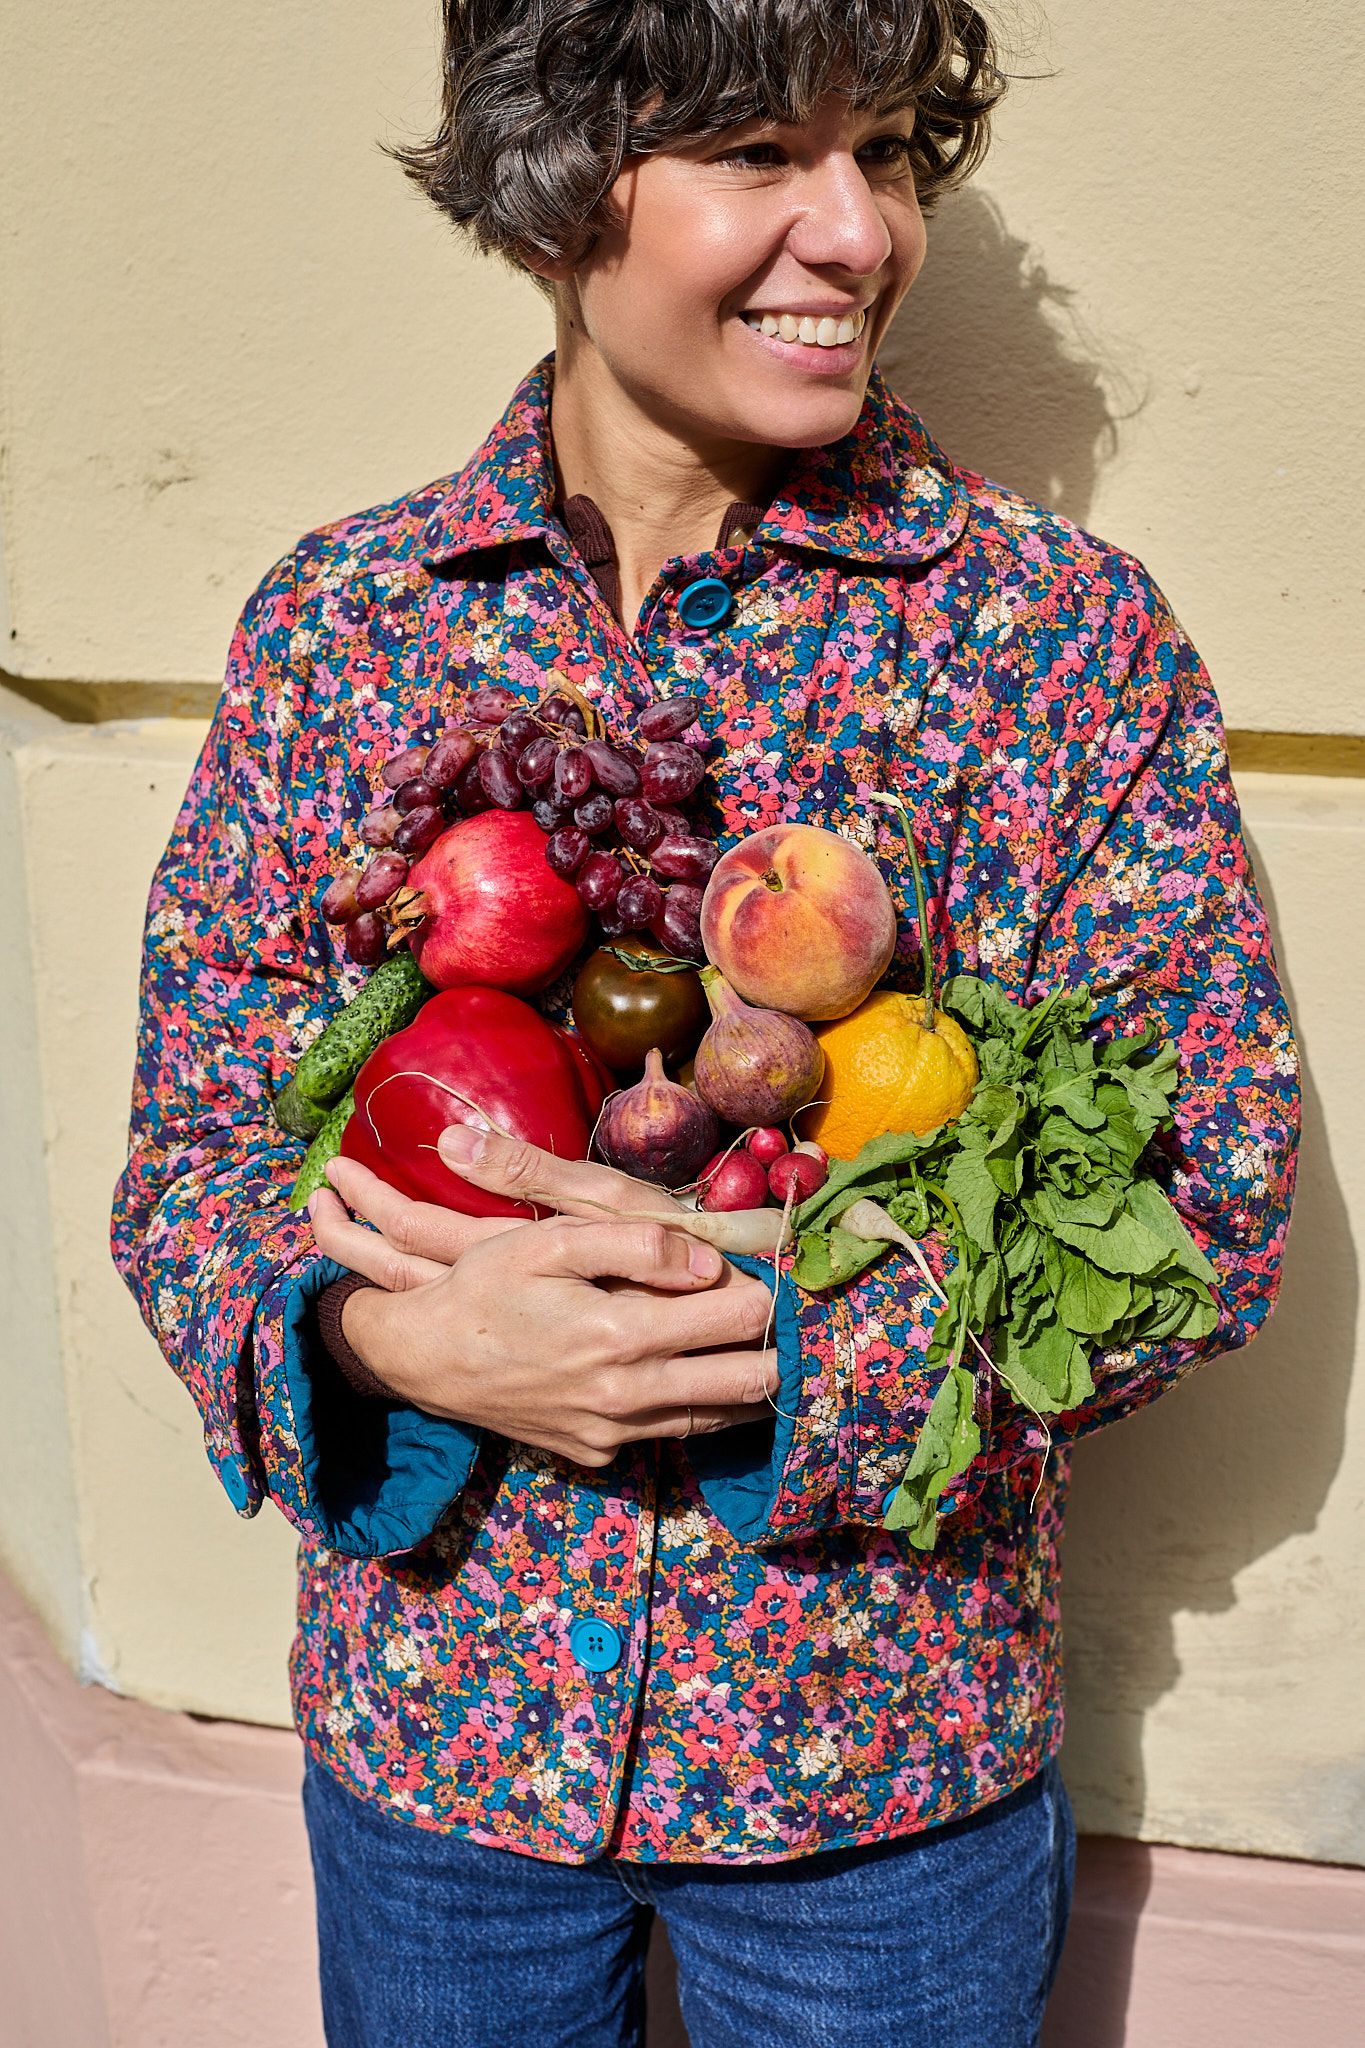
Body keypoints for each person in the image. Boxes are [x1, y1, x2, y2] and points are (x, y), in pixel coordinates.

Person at [110, 3, 1300, 2044]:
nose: (856, 229)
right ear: (557, 180)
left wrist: (776, 1346)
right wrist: (382, 1334)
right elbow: (195, 1150)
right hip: (436, 1759)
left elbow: (1205, 1185)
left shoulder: (1047, 636)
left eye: (892, 151)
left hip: (873, 1785)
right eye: (761, 151)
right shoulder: (345, 628)